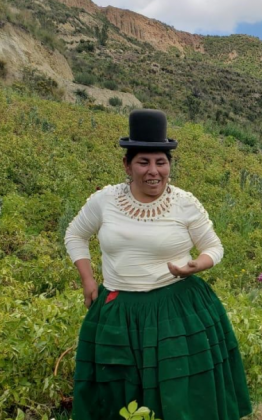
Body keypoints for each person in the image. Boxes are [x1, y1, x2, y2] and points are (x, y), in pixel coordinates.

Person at [64, 109, 252, 420]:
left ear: (169, 165)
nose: (154, 171)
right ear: (127, 165)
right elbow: (75, 235)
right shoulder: (105, 201)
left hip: (176, 311)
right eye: (143, 162)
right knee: (119, 391)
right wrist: (88, 280)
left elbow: (213, 247)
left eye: (161, 162)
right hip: (119, 311)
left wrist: (196, 265)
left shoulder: (185, 203)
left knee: (179, 392)